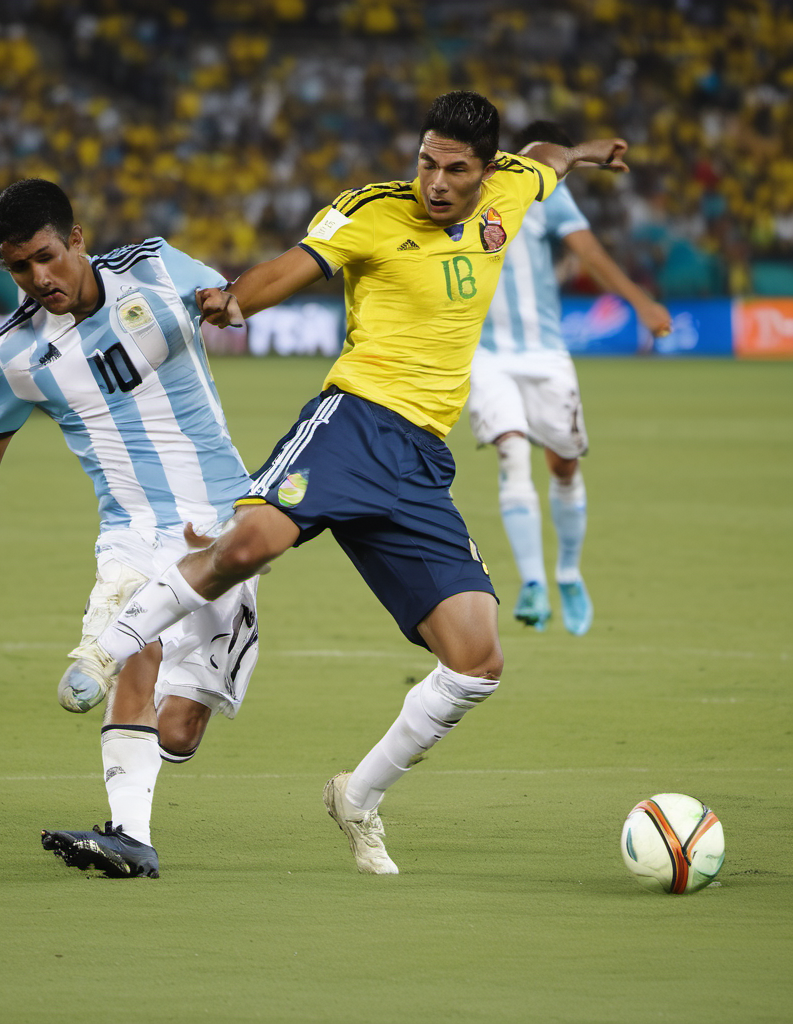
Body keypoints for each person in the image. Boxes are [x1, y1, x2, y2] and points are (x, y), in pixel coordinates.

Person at [89, 91, 632, 874]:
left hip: (420, 465)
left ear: (485, 172)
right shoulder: (373, 211)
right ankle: (111, 647)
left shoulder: (513, 186)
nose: (435, 182)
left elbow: (546, 161)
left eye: (454, 170)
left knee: (478, 662)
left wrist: (586, 152)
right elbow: (299, 266)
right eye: (426, 162)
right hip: (354, 424)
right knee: (246, 545)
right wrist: (237, 298)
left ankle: (359, 797)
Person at [0, 178, 260, 879]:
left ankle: (137, 766)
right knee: (137, 645)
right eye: (17, 268)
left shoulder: (157, 268)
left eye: (45, 256)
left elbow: (226, 296)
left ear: (76, 239)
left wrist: (226, 305)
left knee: (181, 730)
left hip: (229, 526)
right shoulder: (11, 356)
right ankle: (130, 836)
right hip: (130, 529)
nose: (37, 279)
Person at [470, 122, 673, 636]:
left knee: (562, 466)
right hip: (486, 354)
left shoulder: (549, 198)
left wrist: (641, 302)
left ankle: (567, 573)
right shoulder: (472, 187)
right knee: (512, 452)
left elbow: (590, 254)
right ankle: (533, 583)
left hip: (545, 354)